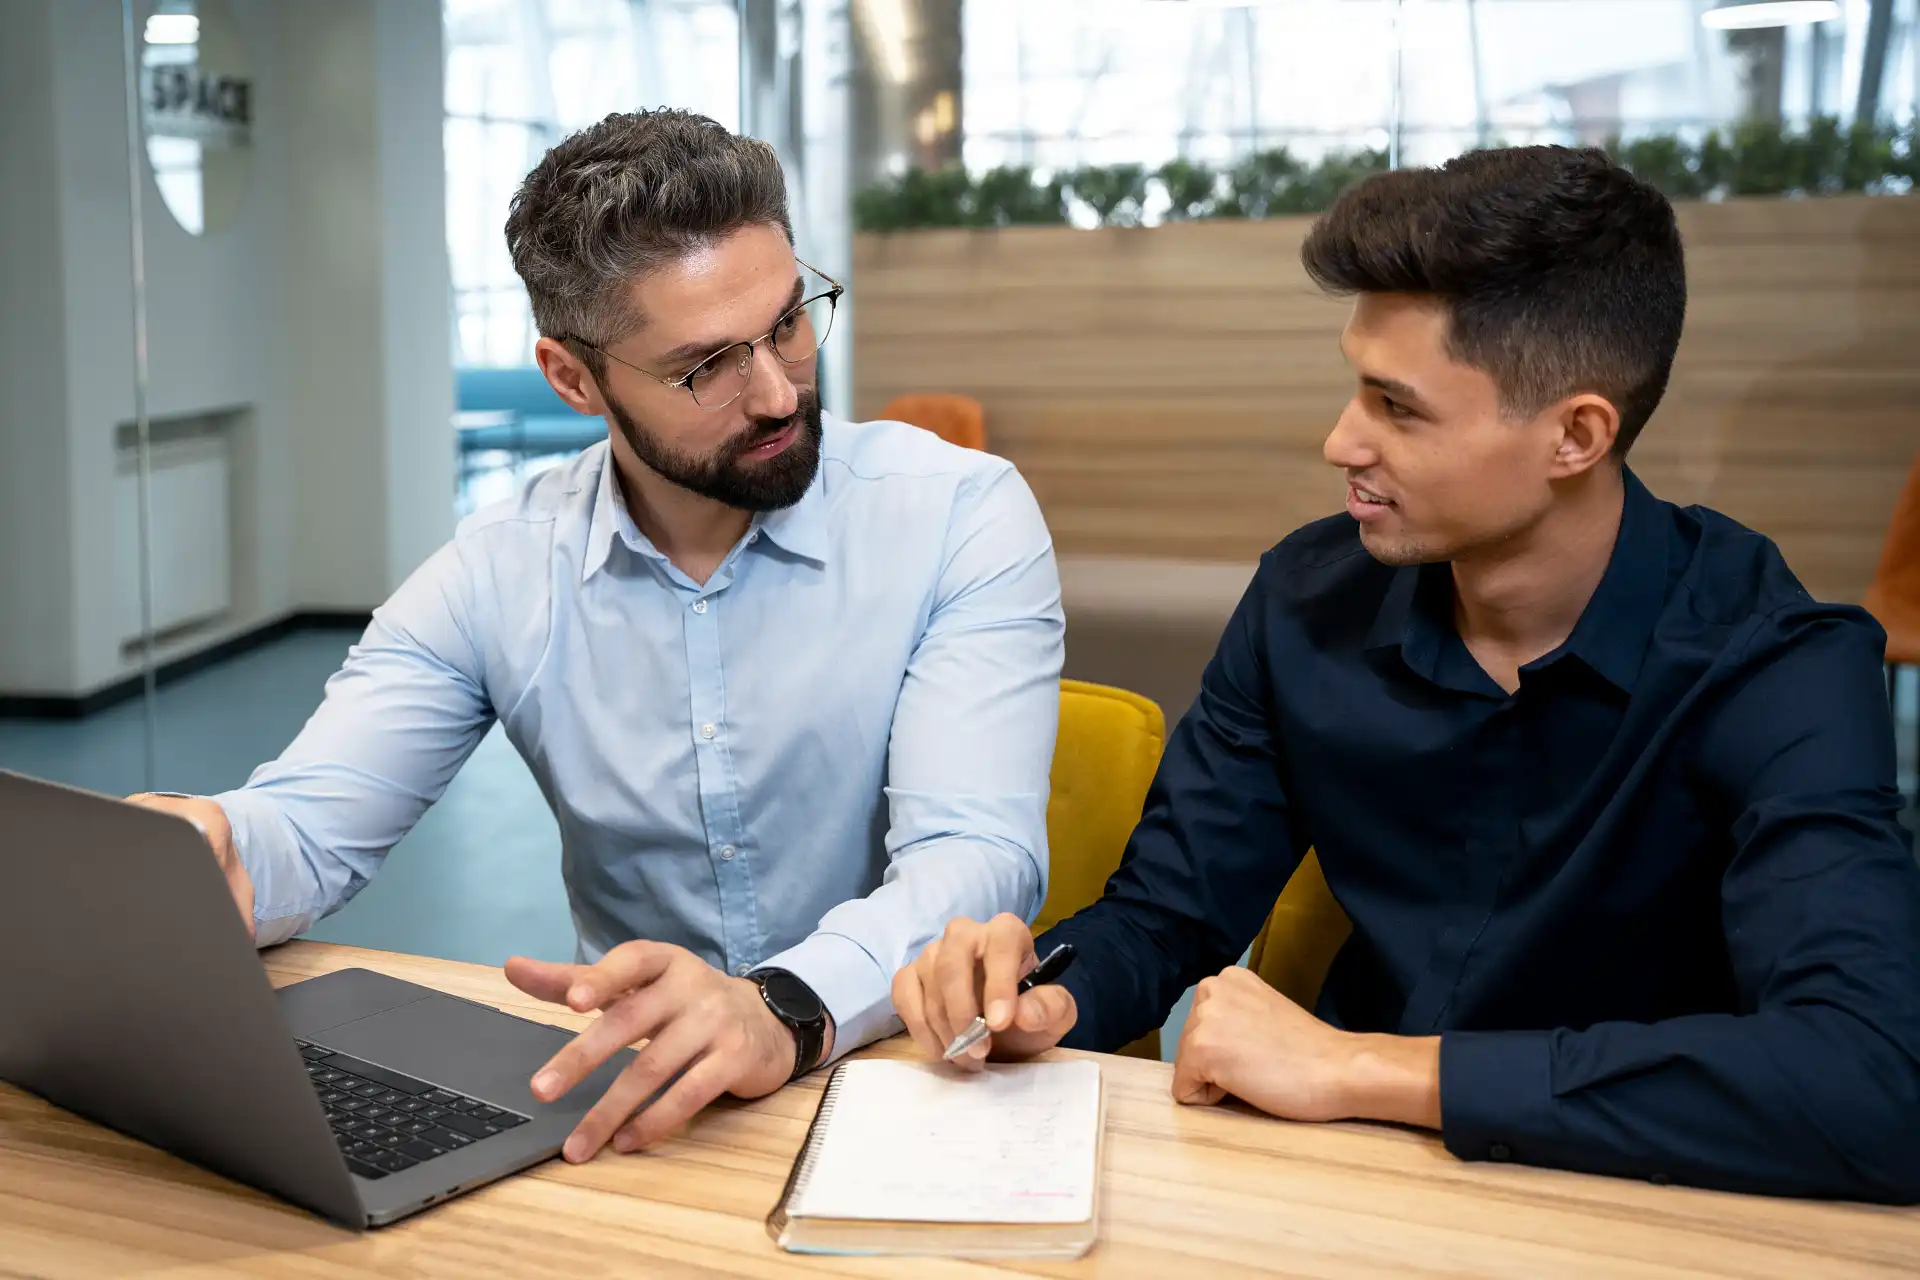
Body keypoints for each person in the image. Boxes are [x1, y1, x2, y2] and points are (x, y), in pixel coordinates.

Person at [891, 145, 1920, 1203]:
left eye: (1399, 406)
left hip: (1644, 1200)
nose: (1342, 440)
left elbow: (1875, 1079)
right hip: (1349, 1183)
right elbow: (1165, 915)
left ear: (1575, 434)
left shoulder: (1773, 662)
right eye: (1357, 388)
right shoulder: (1306, 602)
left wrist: (1365, 1068)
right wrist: (1047, 997)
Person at [131, 110, 1063, 1164]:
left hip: (913, 1074)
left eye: (789, 323)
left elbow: (973, 855)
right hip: (642, 1106)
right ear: (574, 378)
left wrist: (781, 1002)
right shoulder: (500, 570)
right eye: (706, 367)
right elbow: (304, 834)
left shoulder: (956, 513)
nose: (777, 391)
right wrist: (210, 849)